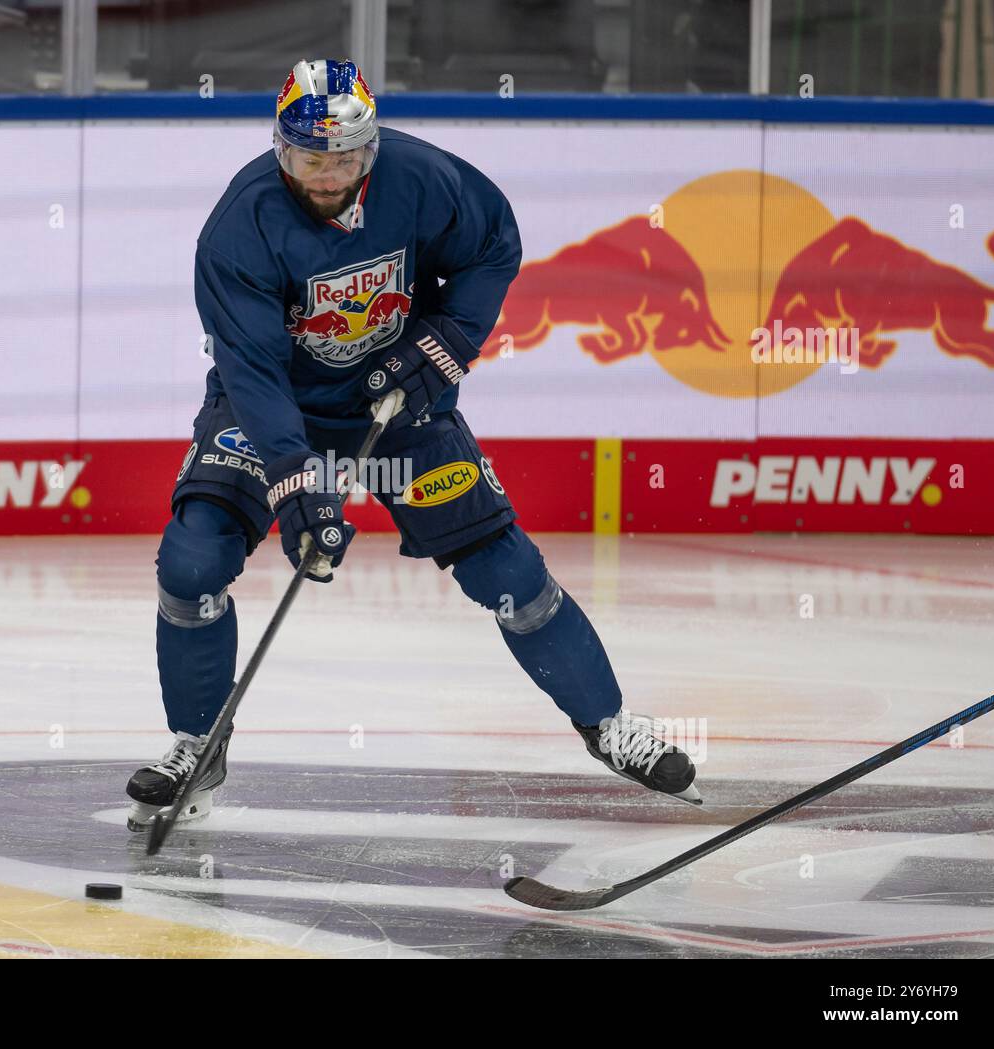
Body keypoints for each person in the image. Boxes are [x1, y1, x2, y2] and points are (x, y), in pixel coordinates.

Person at [126, 59, 700, 829]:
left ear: (373, 149)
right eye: (308, 159)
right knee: (192, 560)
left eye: (346, 158)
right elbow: (252, 368)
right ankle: (197, 743)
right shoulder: (241, 225)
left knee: (508, 569)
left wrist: (447, 342)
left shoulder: (422, 178)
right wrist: (297, 483)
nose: (328, 177)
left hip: (399, 410)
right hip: (271, 410)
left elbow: (494, 242)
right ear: (279, 150)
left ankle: (608, 723)